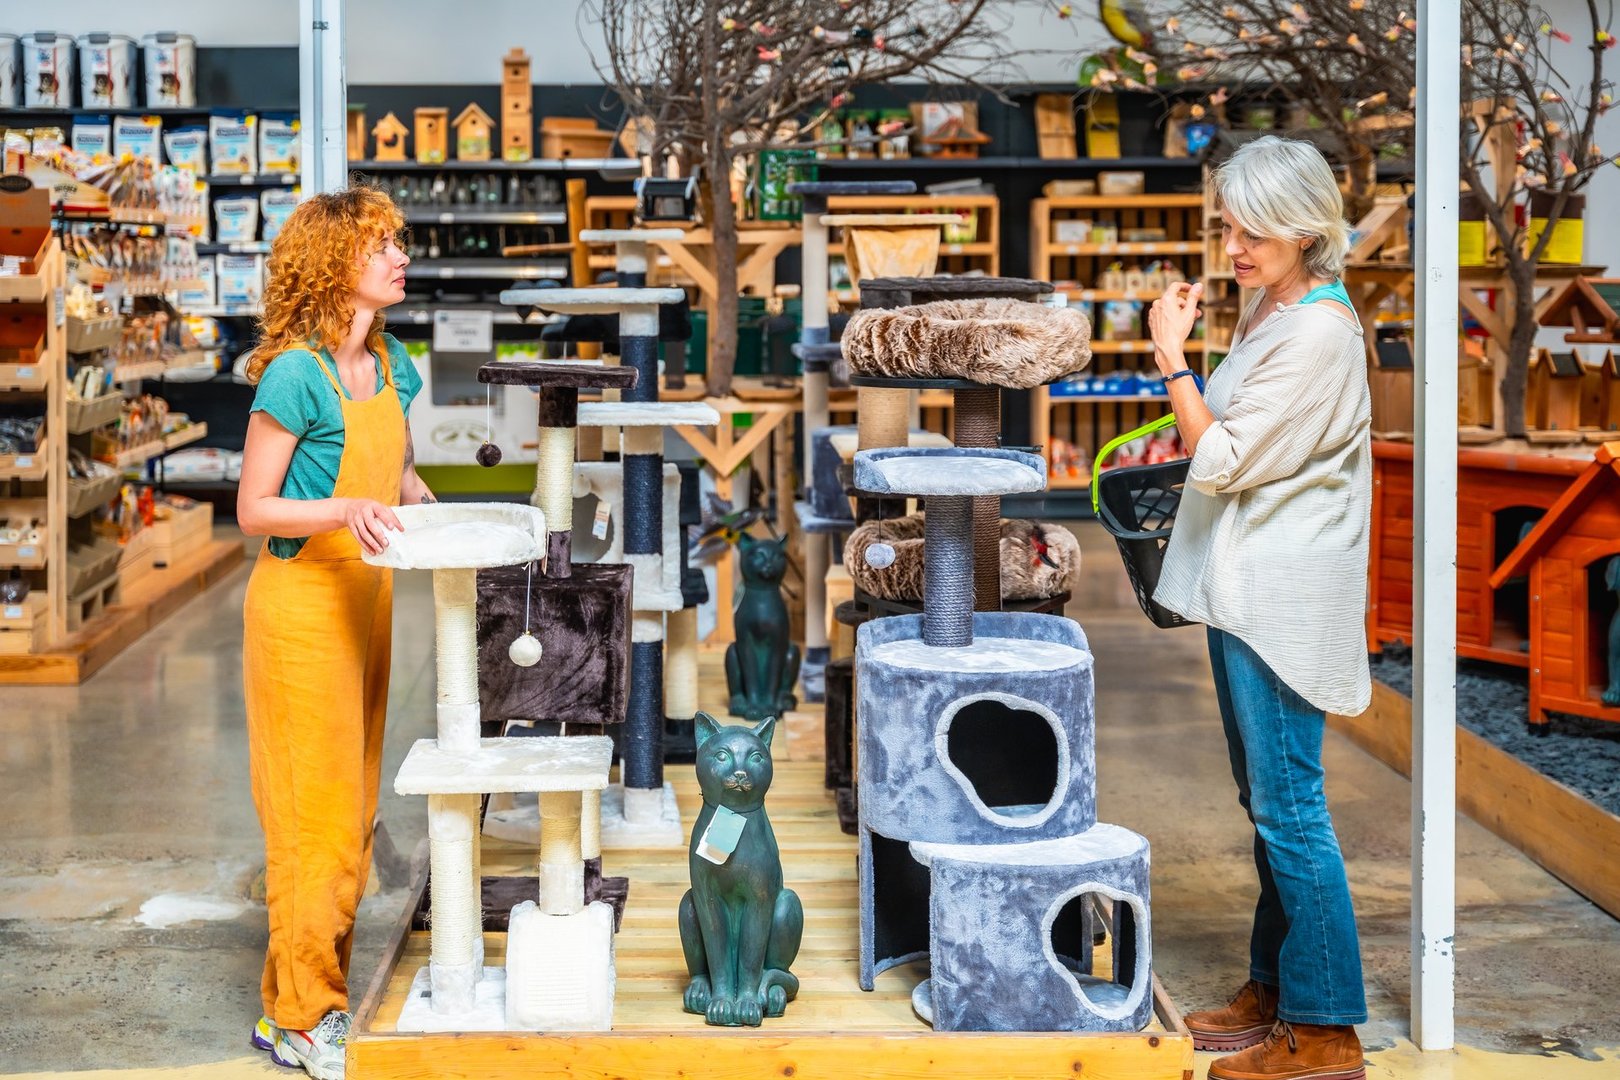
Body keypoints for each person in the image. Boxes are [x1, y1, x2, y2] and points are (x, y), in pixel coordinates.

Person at [1147, 135, 1371, 1080]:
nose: (1232, 246)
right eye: (1227, 226)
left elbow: (1224, 457)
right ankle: (1275, 991)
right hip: (1242, 586)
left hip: (1280, 596)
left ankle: (1323, 1035)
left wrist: (1170, 361)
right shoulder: (1267, 309)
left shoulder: (1321, 332)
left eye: (1251, 231)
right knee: (1266, 800)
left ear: (1303, 229)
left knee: (1291, 809)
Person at [236, 186, 431, 1080]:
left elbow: (403, 477)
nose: (400, 255)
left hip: (369, 600)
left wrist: (453, 519)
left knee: (350, 814)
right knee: (311, 818)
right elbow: (253, 507)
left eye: (397, 240)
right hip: (301, 607)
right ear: (333, 265)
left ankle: (292, 1005)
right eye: (381, 244)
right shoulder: (294, 374)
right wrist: (347, 505)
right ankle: (310, 1014)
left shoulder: (394, 364)